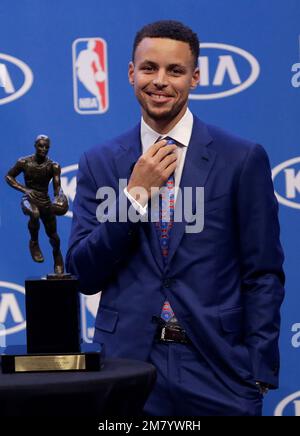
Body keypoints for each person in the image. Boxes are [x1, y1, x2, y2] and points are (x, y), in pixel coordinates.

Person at [66, 20, 285, 416]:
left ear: (195, 78)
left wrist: (258, 369)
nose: (160, 81)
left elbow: (263, 272)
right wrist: (133, 197)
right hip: (128, 366)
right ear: (131, 73)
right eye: (149, 68)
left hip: (217, 367)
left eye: (175, 70)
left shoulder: (241, 159)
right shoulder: (99, 163)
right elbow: (84, 273)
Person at [5, 134, 68, 274]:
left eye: (46, 147)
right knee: (34, 214)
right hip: (29, 199)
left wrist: (60, 196)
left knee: (53, 236)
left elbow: (57, 187)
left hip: (45, 201)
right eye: (40, 146)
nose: (43, 149)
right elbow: (9, 176)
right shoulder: (24, 162)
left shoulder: (54, 166)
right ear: (35, 146)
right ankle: (34, 243)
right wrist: (24, 189)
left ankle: (57, 255)